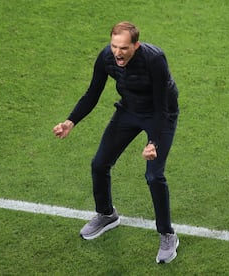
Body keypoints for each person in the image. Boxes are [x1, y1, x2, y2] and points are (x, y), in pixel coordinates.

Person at [53, 21, 179, 264]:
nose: (118, 53)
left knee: (154, 176)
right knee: (99, 164)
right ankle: (106, 214)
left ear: (136, 45)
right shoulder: (106, 58)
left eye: (123, 48)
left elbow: (162, 106)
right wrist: (71, 121)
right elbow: (92, 93)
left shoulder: (154, 60)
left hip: (159, 115)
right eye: (114, 46)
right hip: (129, 111)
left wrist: (153, 141)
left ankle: (167, 233)